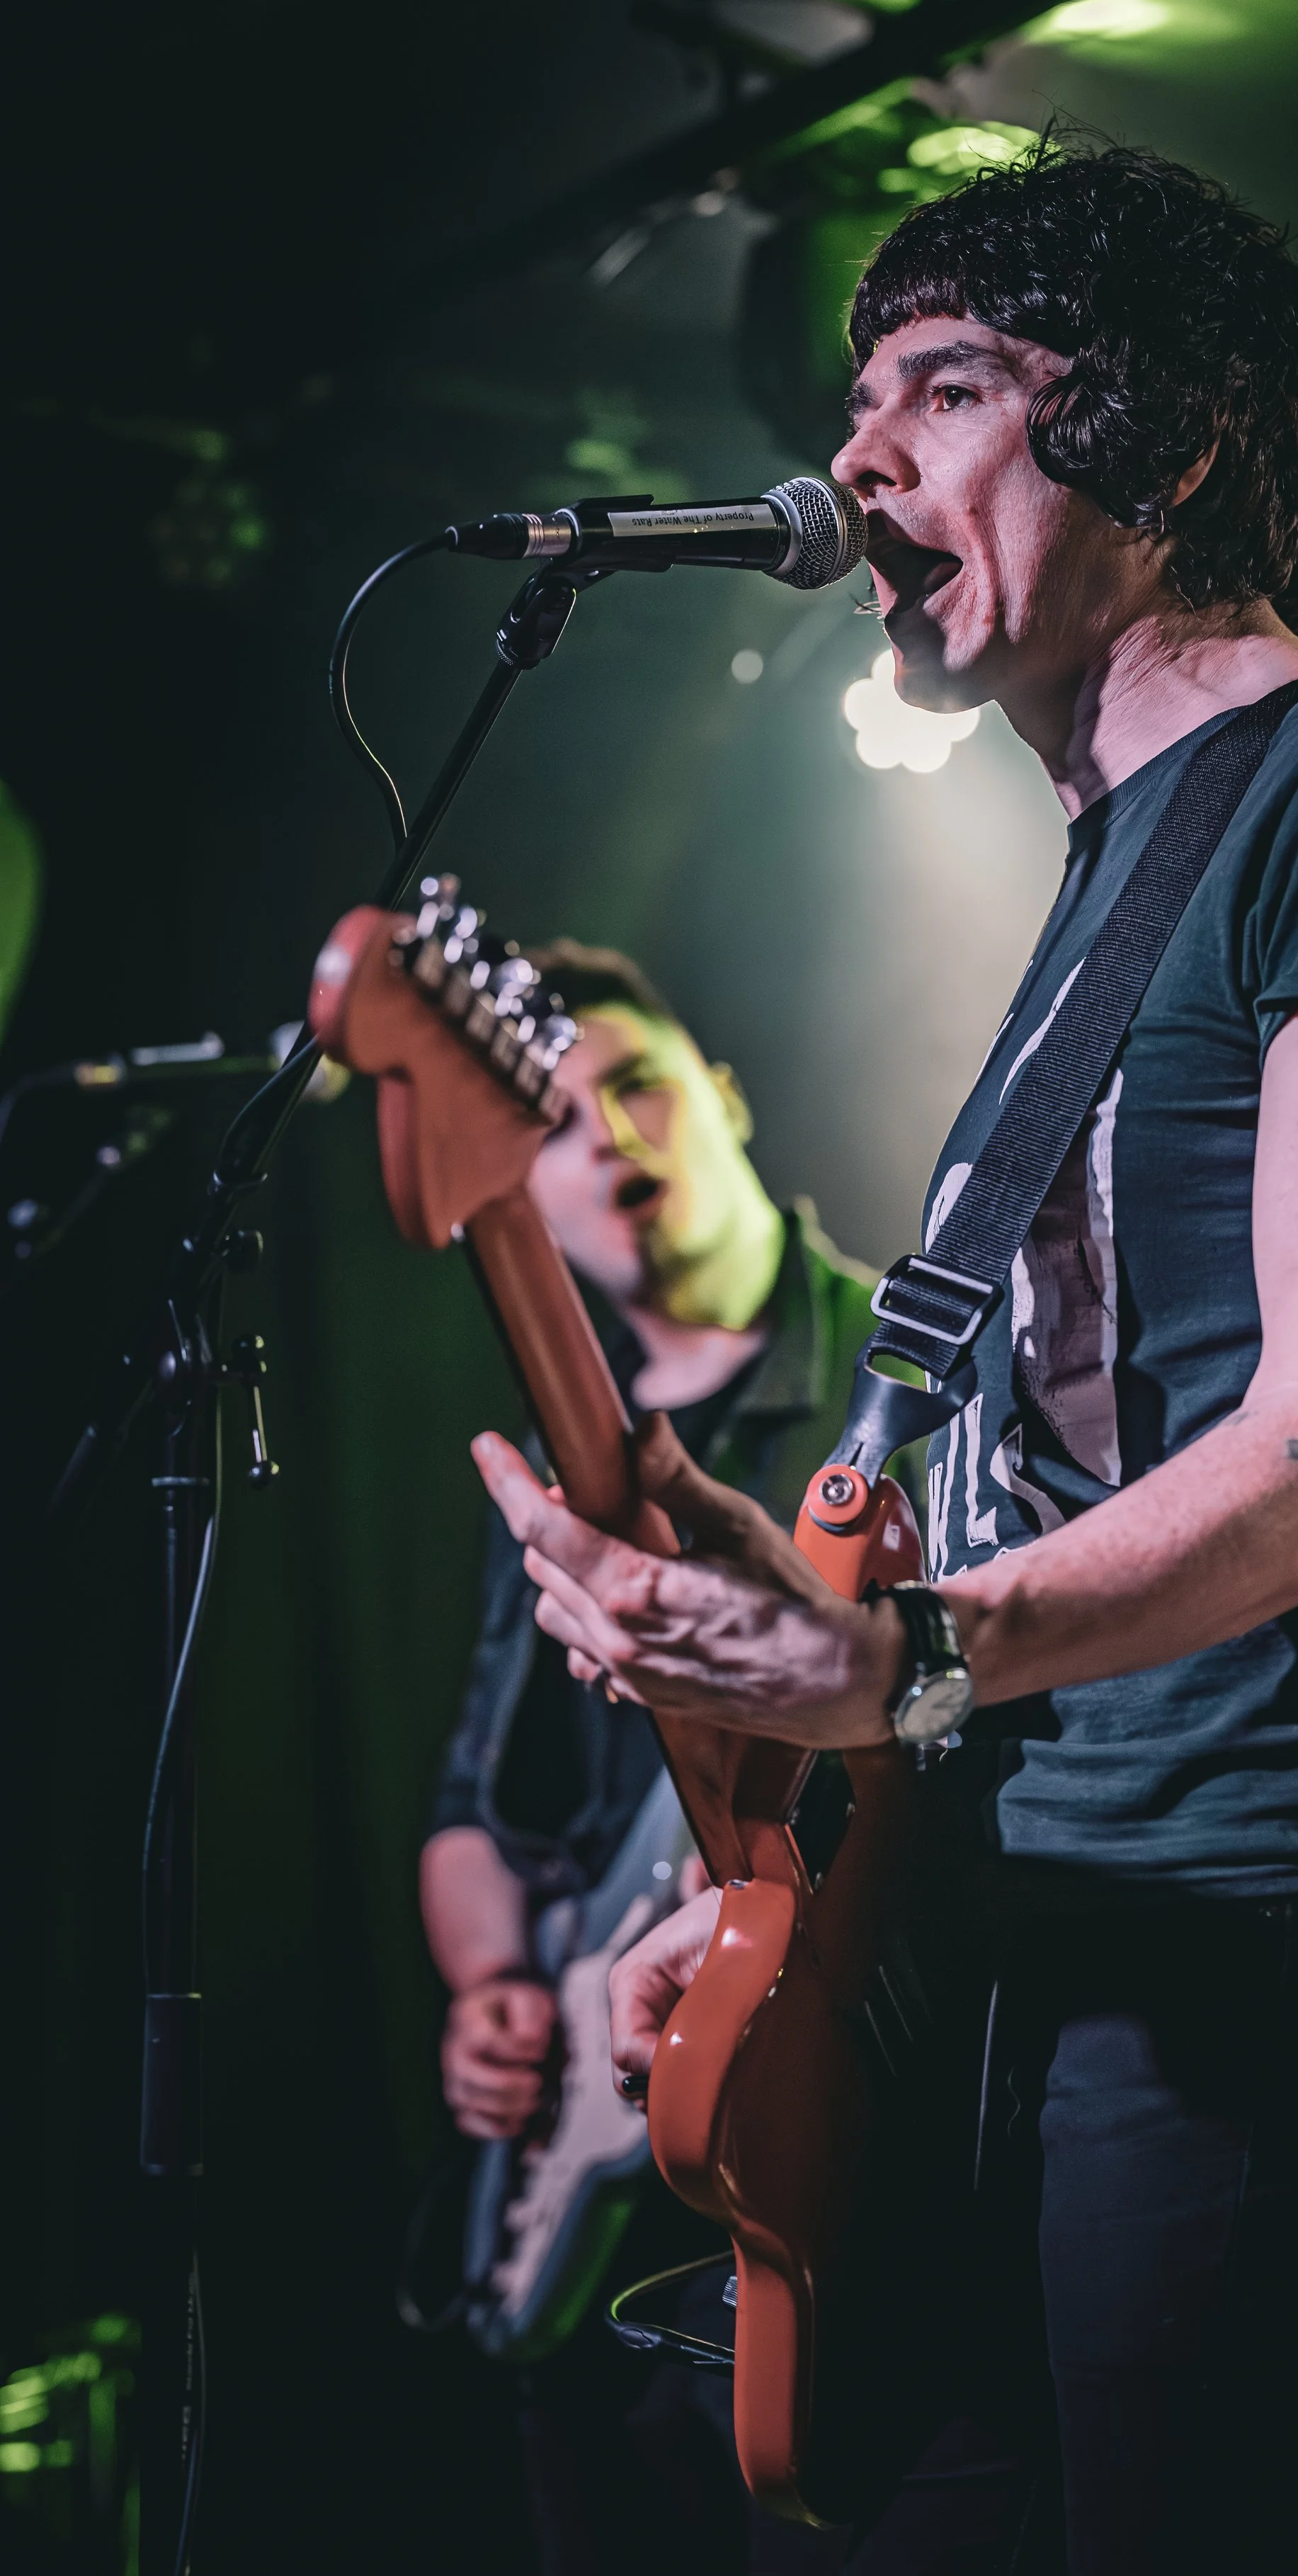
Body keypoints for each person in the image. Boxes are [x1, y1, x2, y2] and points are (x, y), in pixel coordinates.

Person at [472, 140, 1298, 2575]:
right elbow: (996, 1507)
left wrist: (897, 1664)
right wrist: (787, 1768)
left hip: (1272, 1938)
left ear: (1171, 441)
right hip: (1026, 1927)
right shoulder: (1108, 874)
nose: (857, 459)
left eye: (945, 386)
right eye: (858, 398)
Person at [420, 942, 875, 2576]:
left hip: (837, 2139)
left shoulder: (908, 1393)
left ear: (722, 1100)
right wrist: (495, 1991)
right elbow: (475, 1803)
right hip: (601, 2148)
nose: (607, 1137)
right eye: (552, 1120)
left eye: (636, 1086)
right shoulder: (563, 1456)